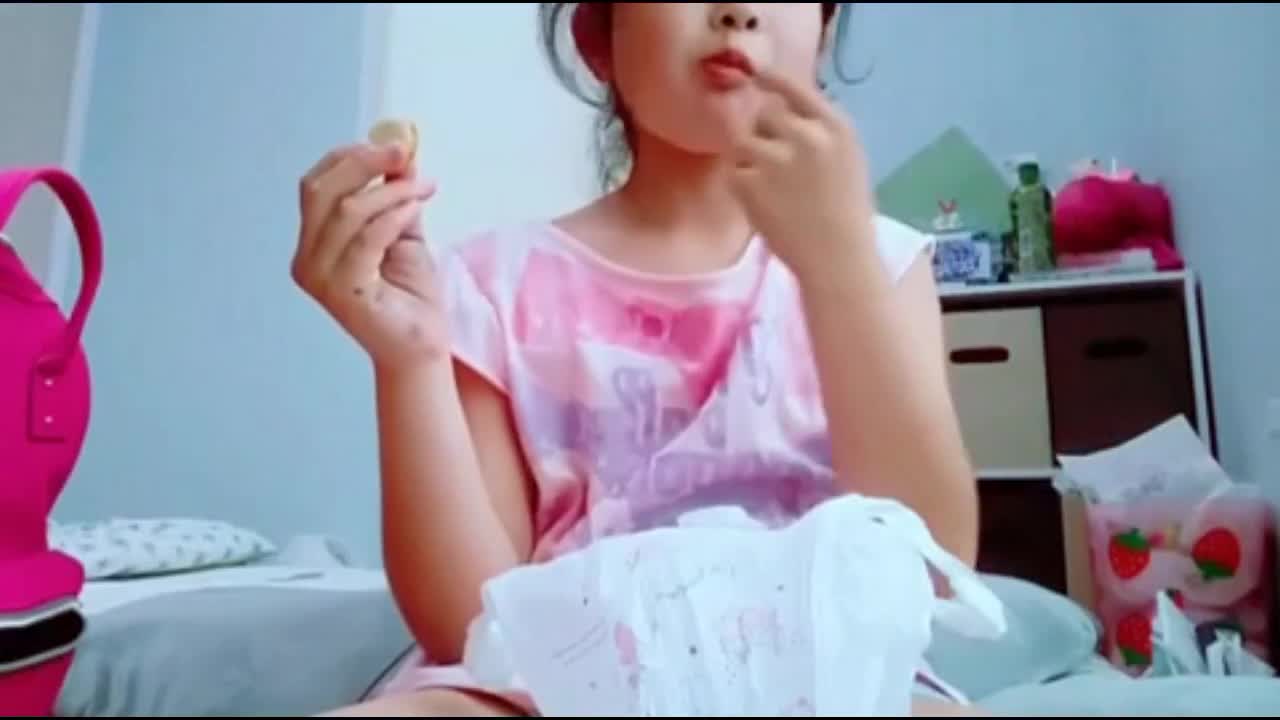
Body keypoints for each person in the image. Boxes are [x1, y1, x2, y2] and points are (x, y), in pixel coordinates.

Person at [291, 3, 981, 716]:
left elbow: (931, 569)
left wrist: (841, 273)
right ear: (598, 41)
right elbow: (469, 628)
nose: (738, 11)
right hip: (560, 682)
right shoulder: (491, 282)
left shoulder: (881, 264)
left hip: (826, 673)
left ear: (823, 33)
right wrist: (408, 363)